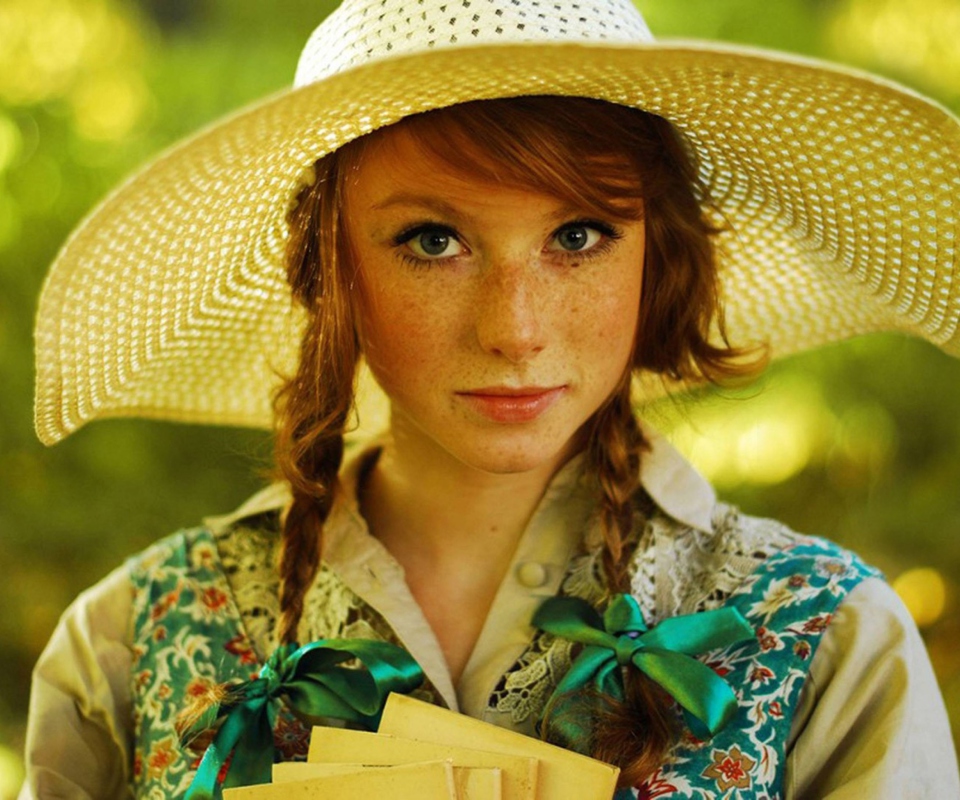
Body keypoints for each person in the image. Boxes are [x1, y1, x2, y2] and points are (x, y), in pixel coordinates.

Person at [20, 0, 960, 796]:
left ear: (659, 259)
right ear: (326, 271)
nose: (515, 328)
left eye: (581, 235)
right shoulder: (129, 647)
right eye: (433, 240)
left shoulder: (825, 639)